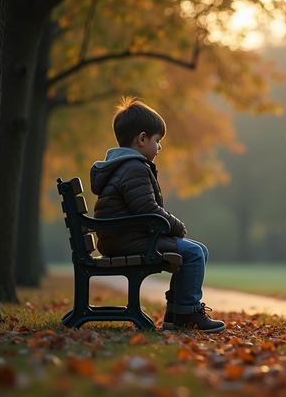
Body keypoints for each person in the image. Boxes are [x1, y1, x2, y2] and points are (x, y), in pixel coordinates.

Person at [89, 96, 225, 333]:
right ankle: (187, 311)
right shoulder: (133, 168)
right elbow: (147, 209)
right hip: (128, 240)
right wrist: (175, 225)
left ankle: (176, 314)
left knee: (198, 250)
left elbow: (143, 208)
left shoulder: (125, 167)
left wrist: (169, 225)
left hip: (123, 237)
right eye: (157, 140)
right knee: (193, 253)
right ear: (142, 139)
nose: (160, 147)